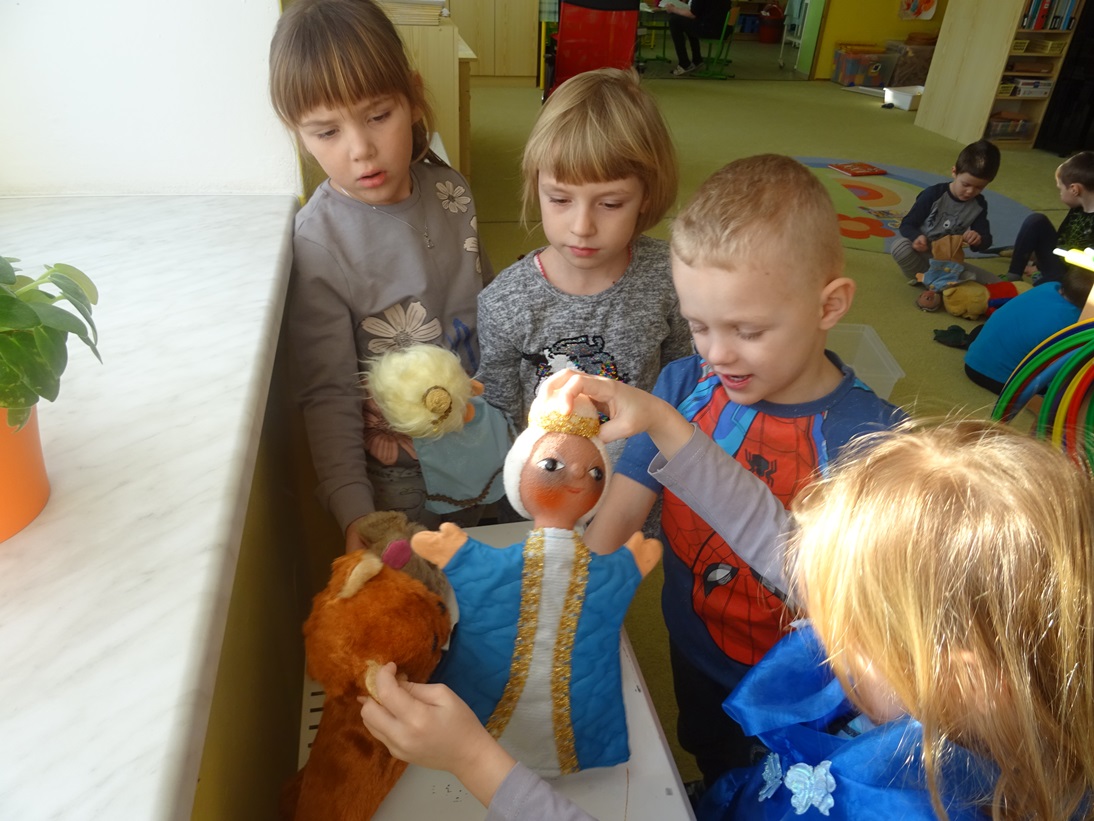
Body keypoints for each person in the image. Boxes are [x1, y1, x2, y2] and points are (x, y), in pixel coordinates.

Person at [581, 154, 907, 791]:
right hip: (694, 639)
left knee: (784, 787)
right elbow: (620, 512)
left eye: (748, 330)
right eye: (698, 326)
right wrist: (565, 587)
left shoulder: (874, 441)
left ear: (829, 305)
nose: (717, 353)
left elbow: (858, 596)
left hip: (808, 684)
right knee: (708, 751)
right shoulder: (684, 385)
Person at [268, 0, 492, 552]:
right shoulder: (318, 243)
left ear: (412, 97)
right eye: (327, 131)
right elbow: (328, 392)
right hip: (403, 478)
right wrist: (354, 511)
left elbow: (490, 307)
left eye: (377, 115)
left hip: (487, 437)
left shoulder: (452, 189)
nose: (360, 150)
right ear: (298, 133)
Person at [475, 67, 691, 456]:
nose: (582, 227)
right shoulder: (504, 303)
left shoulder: (673, 279)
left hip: (645, 482)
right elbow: (500, 423)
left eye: (610, 204)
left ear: (646, 195)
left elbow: (687, 388)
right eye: (560, 199)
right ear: (536, 186)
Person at [963, 266, 1094, 394]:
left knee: (987, 330)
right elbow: (1059, 371)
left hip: (971, 364)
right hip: (1004, 382)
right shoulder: (1075, 322)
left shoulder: (1049, 286)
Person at [890, 139, 1001, 285]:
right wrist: (916, 237)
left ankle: (938, 282)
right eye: (965, 184)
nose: (970, 191)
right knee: (900, 247)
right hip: (922, 254)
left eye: (979, 187)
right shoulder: (933, 194)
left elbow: (986, 241)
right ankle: (939, 282)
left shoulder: (979, 205)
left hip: (948, 263)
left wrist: (978, 239)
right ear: (954, 172)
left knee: (996, 283)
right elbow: (907, 224)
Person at [1006, 150, 1094, 284]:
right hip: (1062, 258)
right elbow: (1061, 239)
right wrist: (1040, 265)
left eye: (1060, 189)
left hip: (1078, 277)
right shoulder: (1078, 207)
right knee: (1036, 221)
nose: (1060, 194)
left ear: (1074, 190)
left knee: (1043, 287)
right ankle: (1013, 276)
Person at [657, 0, 730, 76]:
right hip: (723, 30)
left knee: (674, 21)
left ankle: (684, 63)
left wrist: (673, 9)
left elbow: (692, 14)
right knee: (688, 22)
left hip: (710, 31)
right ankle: (697, 59)